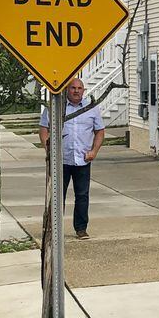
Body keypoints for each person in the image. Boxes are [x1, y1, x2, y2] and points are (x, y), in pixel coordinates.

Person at [39, 78, 105, 239]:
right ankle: (54, 229)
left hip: (83, 160)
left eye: (79, 88)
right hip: (60, 160)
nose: (76, 91)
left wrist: (94, 151)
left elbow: (100, 131)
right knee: (56, 196)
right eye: (73, 88)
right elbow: (44, 129)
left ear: (83, 90)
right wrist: (49, 150)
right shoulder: (55, 107)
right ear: (67, 90)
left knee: (82, 195)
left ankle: (81, 229)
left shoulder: (92, 108)